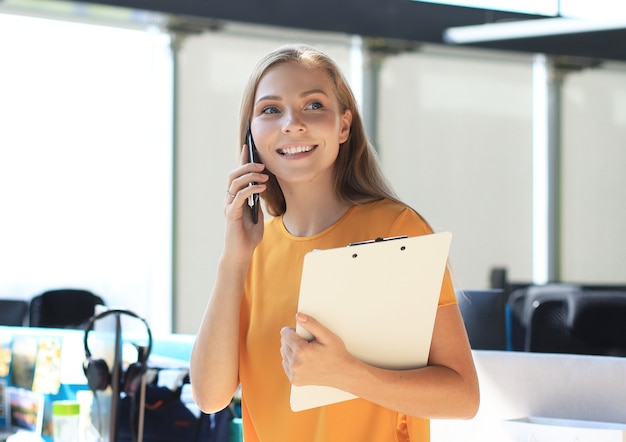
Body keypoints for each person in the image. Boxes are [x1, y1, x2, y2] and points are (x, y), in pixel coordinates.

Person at [190, 43, 479, 442]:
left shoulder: (397, 229)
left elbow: (463, 397)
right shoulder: (251, 251)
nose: (292, 123)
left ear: (343, 126)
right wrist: (233, 259)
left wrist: (347, 374)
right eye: (270, 109)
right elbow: (209, 396)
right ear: (252, 137)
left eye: (313, 106)